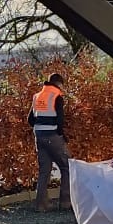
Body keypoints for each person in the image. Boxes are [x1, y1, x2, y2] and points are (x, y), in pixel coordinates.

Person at [28, 73, 72, 211]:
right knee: (67, 166)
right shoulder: (56, 96)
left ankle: (41, 204)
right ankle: (65, 202)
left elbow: (30, 120)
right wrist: (61, 135)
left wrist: (40, 126)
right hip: (52, 135)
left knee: (44, 170)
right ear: (59, 83)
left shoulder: (37, 96)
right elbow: (60, 120)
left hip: (39, 136)